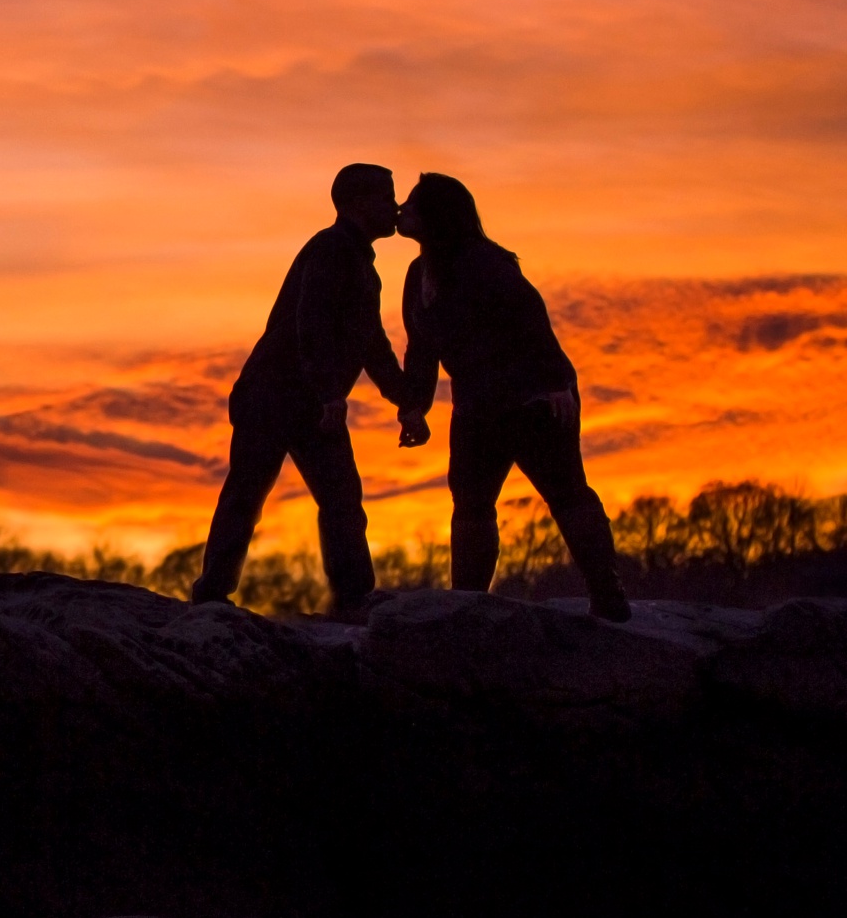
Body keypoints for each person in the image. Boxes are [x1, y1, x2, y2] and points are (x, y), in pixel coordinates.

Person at [394, 172, 631, 621]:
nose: (401, 209)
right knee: (470, 504)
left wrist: (556, 382)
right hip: (475, 406)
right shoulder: (416, 275)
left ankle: (607, 592)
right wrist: (415, 407)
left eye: (412, 204)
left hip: (532, 399)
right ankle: (468, 603)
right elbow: (422, 349)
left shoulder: (486, 263)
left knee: (566, 494)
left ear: (437, 217)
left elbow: (531, 319)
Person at [191, 163, 408, 615]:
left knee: (338, 499)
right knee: (253, 494)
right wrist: (330, 393)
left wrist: (407, 401)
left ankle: (352, 597)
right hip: (277, 396)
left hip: (303, 398)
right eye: (387, 197)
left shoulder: (357, 263)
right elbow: (311, 323)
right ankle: (213, 593)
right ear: (356, 203)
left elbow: (371, 342)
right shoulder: (331, 251)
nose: (395, 206)